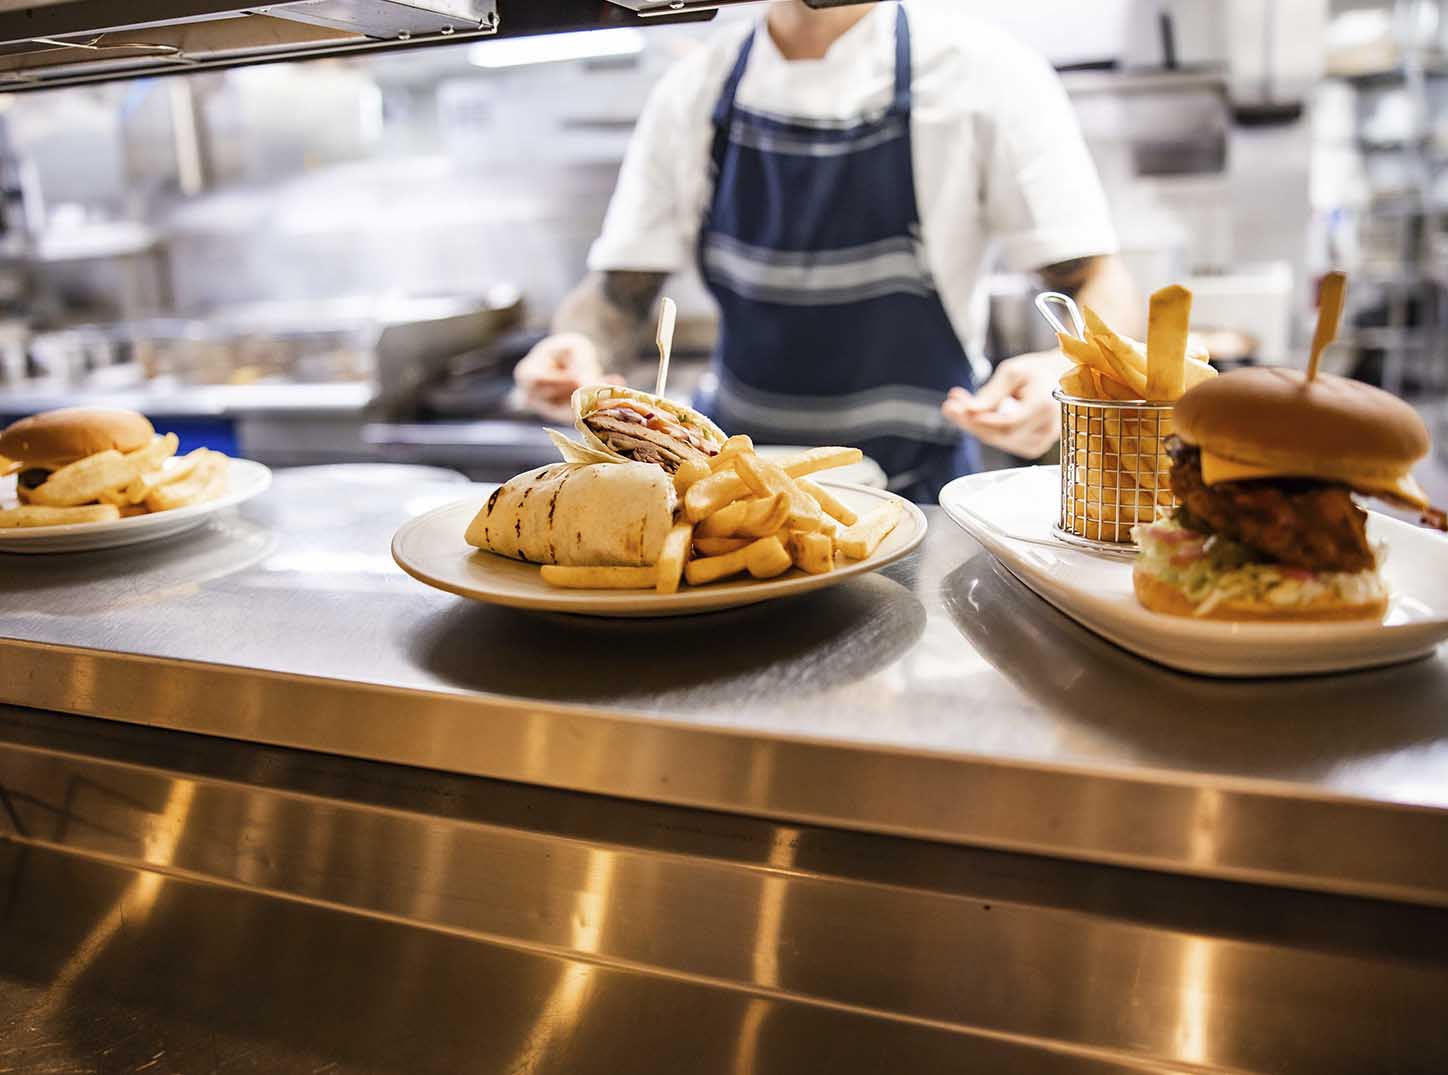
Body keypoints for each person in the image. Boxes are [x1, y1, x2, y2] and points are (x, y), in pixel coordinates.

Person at [514, 0, 1138, 501]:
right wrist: (578, 348)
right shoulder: (694, 89)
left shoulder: (987, 73)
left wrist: (1072, 375)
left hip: (921, 495)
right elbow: (616, 296)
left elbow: (1098, 279)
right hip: (729, 496)